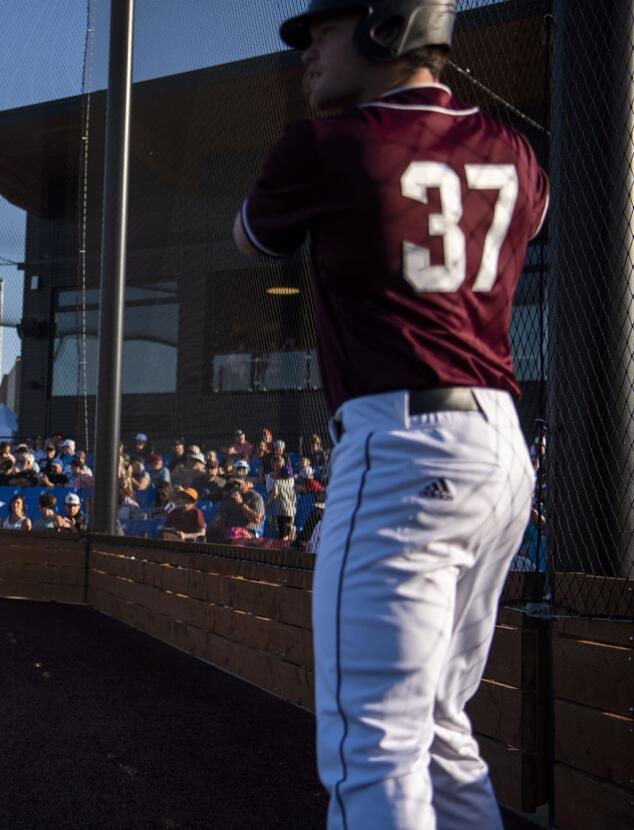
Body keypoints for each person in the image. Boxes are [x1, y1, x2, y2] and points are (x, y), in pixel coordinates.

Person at [235, 2, 548, 826]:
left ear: (387, 27)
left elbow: (252, 239)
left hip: (404, 444)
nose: (307, 53)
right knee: (441, 728)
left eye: (323, 31)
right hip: (502, 452)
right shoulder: (515, 149)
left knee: (374, 747)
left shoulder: (323, 147)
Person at [267, 465, 298, 540]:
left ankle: (283, 544)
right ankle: (290, 533)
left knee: (282, 532)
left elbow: (275, 493)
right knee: (288, 528)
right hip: (291, 510)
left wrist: (268, 502)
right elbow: (294, 497)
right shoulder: (290, 485)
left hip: (282, 510)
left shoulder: (277, 482)